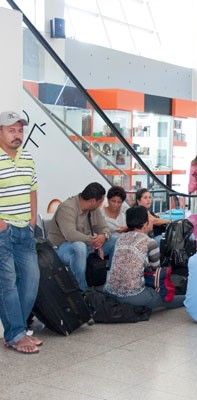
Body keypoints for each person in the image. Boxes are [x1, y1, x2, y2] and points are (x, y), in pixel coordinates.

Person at [0, 111, 41, 354]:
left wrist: (33, 220)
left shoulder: (27, 157)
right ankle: (16, 334)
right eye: (11, 130)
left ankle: (16, 330)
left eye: (20, 130)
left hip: (25, 229)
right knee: (7, 283)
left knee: (31, 280)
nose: (17, 135)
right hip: (3, 231)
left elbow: (32, 189)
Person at [104, 205, 185, 309]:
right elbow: (155, 271)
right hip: (132, 295)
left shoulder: (120, 238)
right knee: (163, 297)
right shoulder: (150, 242)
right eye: (150, 218)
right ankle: (187, 299)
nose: (152, 220)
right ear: (144, 224)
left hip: (110, 291)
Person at [47, 182, 116, 292]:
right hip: (62, 248)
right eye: (101, 201)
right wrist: (92, 241)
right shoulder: (67, 208)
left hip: (87, 245)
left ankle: (113, 285)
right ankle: (83, 292)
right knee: (79, 247)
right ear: (93, 201)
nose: (102, 204)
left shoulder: (94, 209)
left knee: (115, 241)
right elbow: (71, 235)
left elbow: (104, 228)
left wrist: (104, 236)